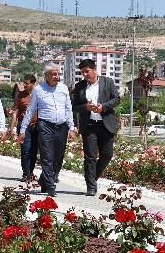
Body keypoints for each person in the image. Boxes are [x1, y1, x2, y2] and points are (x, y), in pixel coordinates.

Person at [18, 64, 75, 197]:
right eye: (53, 74)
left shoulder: (63, 88)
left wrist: (71, 127)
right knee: (47, 156)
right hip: (45, 126)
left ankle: (44, 179)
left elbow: (68, 109)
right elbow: (31, 110)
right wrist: (22, 129)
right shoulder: (38, 90)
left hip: (62, 126)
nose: (57, 77)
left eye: (57, 74)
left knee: (58, 156)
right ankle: (50, 186)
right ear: (46, 76)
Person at [72, 58, 120, 196]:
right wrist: (86, 107)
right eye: (82, 72)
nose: (85, 74)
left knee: (107, 155)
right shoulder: (80, 86)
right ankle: (91, 187)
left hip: (106, 125)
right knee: (90, 157)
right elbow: (75, 107)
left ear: (94, 70)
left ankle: (92, 178)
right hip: (89, 126)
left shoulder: (108, 82)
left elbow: (116, 99)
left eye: (87, 71)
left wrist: (103, 107)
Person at [9, 75, 39, 183]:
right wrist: (11, 128)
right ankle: (25, 173)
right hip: (23, 126)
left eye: (27, 83)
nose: (24, 85)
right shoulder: (20, 95)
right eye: (24, 83)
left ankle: (30, 172)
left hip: (36, 126)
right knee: (25, 150)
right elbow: (15, 112)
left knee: (34, 151)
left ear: (33, 83)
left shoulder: (39, 94)